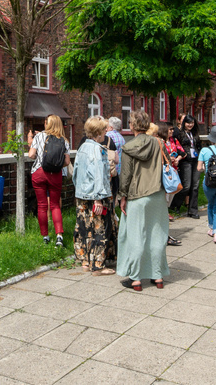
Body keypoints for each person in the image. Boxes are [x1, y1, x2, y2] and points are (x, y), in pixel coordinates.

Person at [117, 110, 169, 291]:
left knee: (135, 236)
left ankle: (136, 278)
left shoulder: (128, 147)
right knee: (157, 236)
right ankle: (157, 276)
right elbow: (168, 165)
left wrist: (122, 197)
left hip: (137, 196)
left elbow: (125, 175)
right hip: (157, 194)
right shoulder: (159, 143)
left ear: (131, 125)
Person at [72, 116, 115, 275]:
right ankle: (98, 266)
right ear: (98, 132)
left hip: (82, 195)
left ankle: (85, 262)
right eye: (104, 129)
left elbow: (75, 173)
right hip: (96, 196)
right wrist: (98, 199)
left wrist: (79, 190)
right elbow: (99, 174)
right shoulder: (98, 149)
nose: (105, 132)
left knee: (83, 228)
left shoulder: (82, 147)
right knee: (99, 229)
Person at [27, 114, 70, 247]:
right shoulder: (64, 140)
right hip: (55, 174)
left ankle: (45, 236)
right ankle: (59, 236)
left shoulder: (39, 136)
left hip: (39, 173)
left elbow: (31, 154)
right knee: (55, 205)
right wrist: (56, 165)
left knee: (42, 205)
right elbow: (67, 162)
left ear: (47, 124)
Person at [174, 114, 202, 219]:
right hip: (185, 161)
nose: (190, 125)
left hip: (195, 160)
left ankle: (193, 210)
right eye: (188, 123)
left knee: (195, 186)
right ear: (184, 123)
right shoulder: (180, 133)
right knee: (186, 186)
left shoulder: (195, 133)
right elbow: (176, 146)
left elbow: (199, 146)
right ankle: (175, 205)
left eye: (192, 123)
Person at [159, 123, 184, 246]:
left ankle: (165, 233)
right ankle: (164, 234)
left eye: (173, 129)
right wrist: (169, 159)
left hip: (172, 174)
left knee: (168, 202)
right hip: (165, 176)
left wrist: (177, 159)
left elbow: (182, 152)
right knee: (163, 204)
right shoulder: (160, 142)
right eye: (170, 129)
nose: (172, 131)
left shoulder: (173, 141)